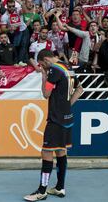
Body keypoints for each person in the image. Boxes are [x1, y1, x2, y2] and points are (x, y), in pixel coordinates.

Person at [24, 49, 83, 201]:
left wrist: (44, 76)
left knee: (46, 152)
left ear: (45, 60)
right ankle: (59, 187)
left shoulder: (54, 70)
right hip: (67, 117)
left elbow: (46, 94)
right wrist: (67, 106)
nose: (43, 67)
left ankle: (41, 191)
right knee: (61, 151)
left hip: (56, 119)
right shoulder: (67, 68)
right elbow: (80, 89)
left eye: (42, 64)